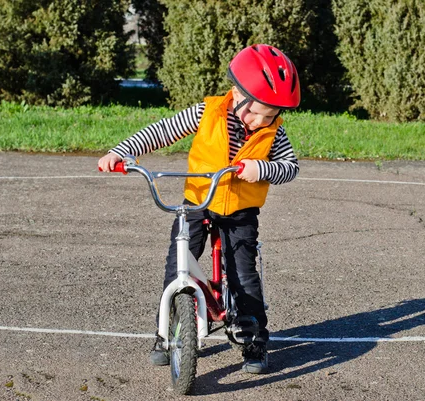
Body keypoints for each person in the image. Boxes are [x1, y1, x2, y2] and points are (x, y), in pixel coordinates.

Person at [98, 44, 300, 374]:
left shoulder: (274, 132)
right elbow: (163, 130)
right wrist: (122, 152)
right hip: (197, 200)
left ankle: (254, 339)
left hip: (240, 210)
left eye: (270, 115)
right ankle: (168, 331)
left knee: (243, 273)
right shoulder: (207, 112)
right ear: (236, 93)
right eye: (254, 112)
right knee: (179, 258)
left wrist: (261, 169)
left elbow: (290, 167)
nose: (259, 121)